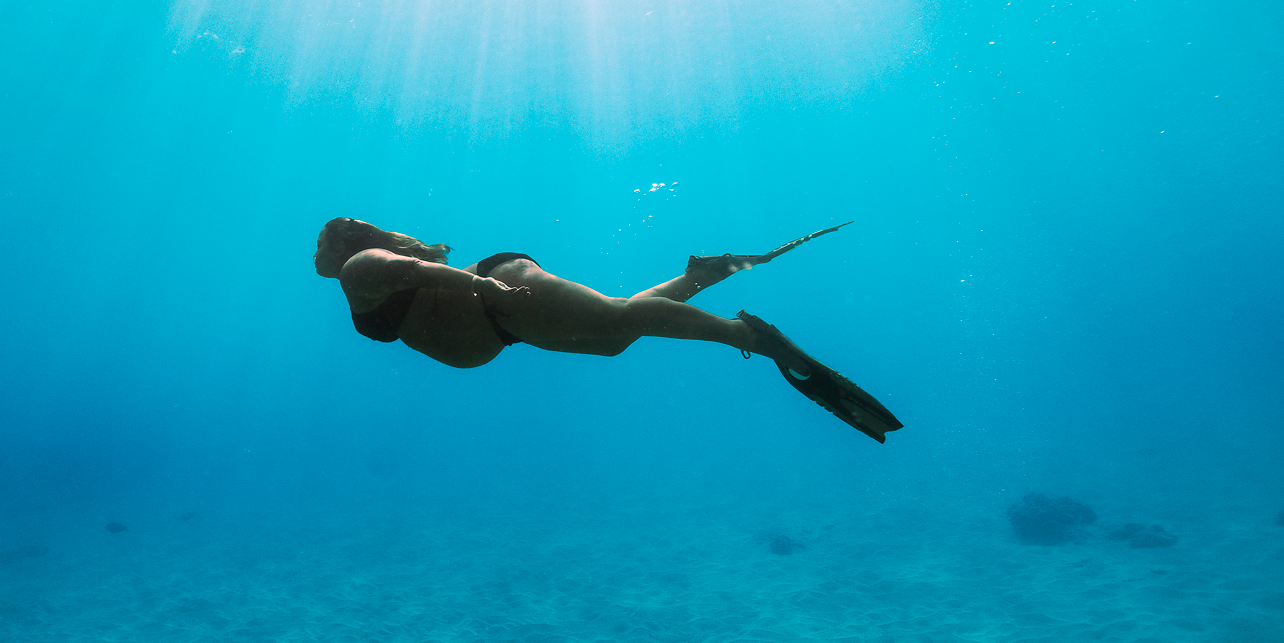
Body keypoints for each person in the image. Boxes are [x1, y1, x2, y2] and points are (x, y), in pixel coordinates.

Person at [314, 217, 903, 442]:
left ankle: (750, 338)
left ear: (343, 246)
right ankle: (697, 276)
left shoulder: (358, 268)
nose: (315, 253)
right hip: (502, 319)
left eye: (320, 243)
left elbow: (410, 268)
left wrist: (486, 289)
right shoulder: (360, 272)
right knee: (618, 333)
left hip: (501, 296)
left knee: (620, 322)